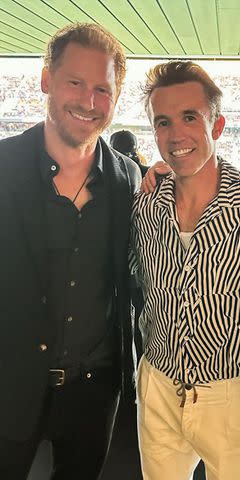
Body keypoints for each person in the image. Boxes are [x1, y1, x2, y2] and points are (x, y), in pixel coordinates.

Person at [130, 61, 240, 480]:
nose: (176, 135)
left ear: (216, 126)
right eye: (163, 122)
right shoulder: (144, 204)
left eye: (190, 118)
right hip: (158, 384)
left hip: (230, 394)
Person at [0, 23, 142, 479]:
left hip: (94, 394)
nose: (89, 101)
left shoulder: (130, 180)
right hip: (9, 383)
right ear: (46, 81)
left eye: (103, 88)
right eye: (75, 82)